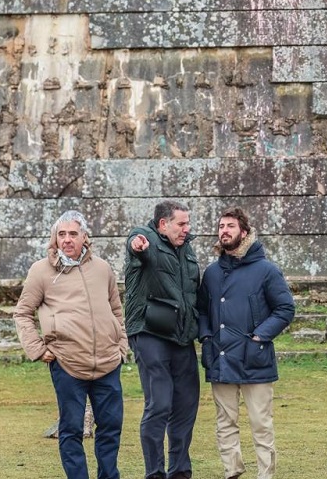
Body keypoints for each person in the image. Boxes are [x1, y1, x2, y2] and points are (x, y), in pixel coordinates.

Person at [16, 210, 127, 479]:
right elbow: (22, 312)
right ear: (55, 237)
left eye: (73, 234)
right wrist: (37, 349)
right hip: (67, 364)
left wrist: (121, 344)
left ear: (84, 237)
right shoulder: (40, 271)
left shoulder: (102, 268)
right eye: (62, 234)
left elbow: (116, 309)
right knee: (72, 430)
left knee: (111, 427)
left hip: (108, 362)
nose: (67, 239)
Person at [197, 207, 296, 479]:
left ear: (244, 231)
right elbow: (202, 310)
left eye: (230, 226)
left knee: (261, 425)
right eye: (220, 226)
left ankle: (265, 475)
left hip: (255, 359)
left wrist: (259, 337)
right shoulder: (212, 273)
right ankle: (232, 471)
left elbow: (285, 308)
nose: (224, 231)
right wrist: (206, 338)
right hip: (221, 358)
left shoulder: (266, 270)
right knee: (224, 423)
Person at [126, 200, 202, 479]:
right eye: (181, 223)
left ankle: (180, 472)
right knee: (159, 404)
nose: (187, 228)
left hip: (182, 337)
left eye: (188, 223)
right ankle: (154, 472)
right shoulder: (146, 240)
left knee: (186, 406)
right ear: (163, 224)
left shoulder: (187, 249)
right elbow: (136, 242)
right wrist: (137, 245)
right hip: (149, 332)